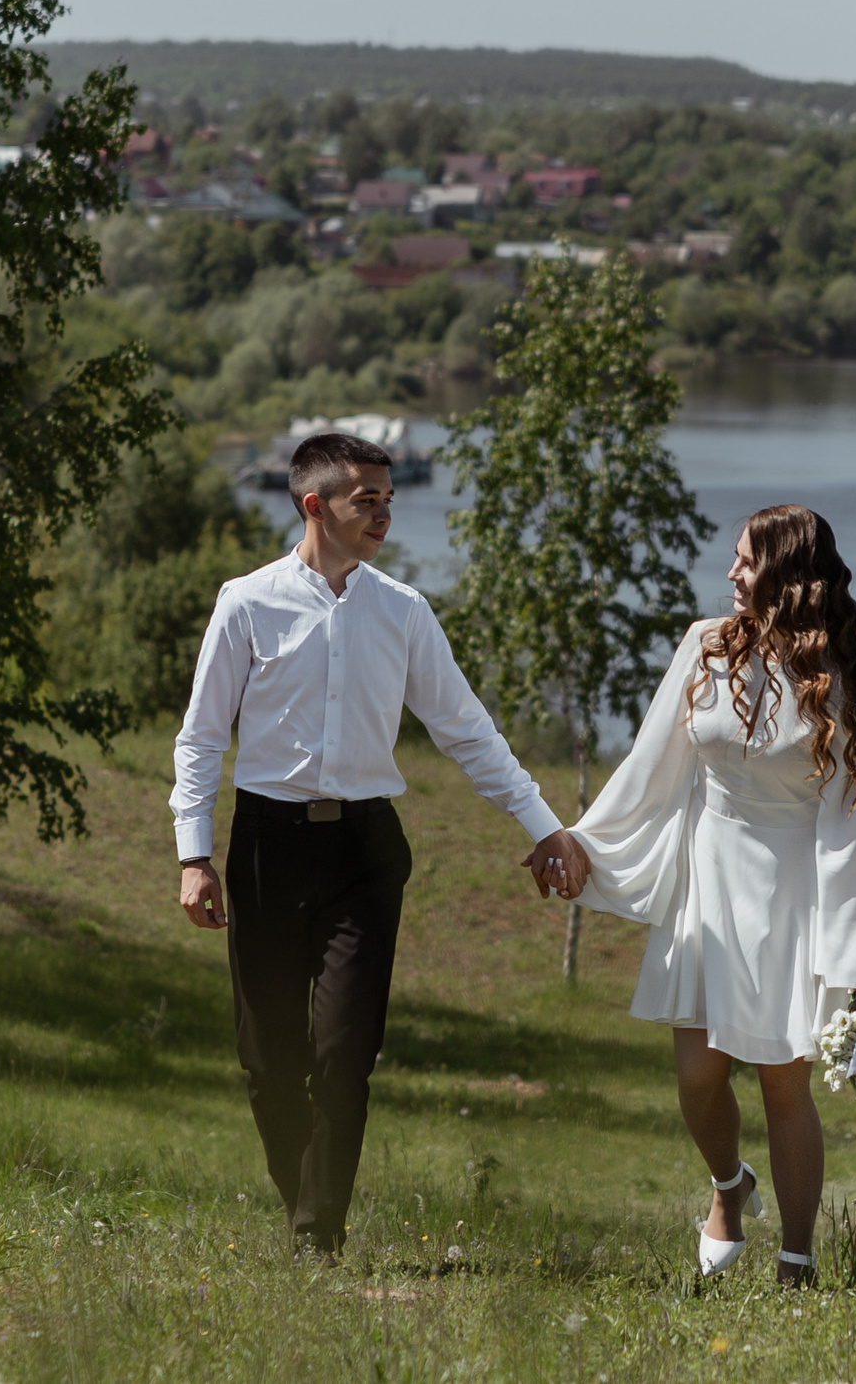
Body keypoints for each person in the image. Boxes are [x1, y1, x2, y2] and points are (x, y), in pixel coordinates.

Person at [172, 430, 591, 1255]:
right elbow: (199, 739)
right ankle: (306, 1205)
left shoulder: (404, 611)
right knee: (267, 1059)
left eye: (390, 499)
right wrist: (194, 854)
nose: (385, 515)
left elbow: (466, 730)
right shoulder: (246, 602)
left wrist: (545, 826)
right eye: (368, 499)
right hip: (264, 849)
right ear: (314, 504)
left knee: (343, 1055)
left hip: (365, 855)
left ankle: (316, 1235)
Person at [562, 503, 856, 1286]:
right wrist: (582, 840)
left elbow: (851, 833)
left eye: (746, 561)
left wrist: (853, 968)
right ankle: (729, 1186)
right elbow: (653, 764)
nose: (731, 574)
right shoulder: (703, 647)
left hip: (792, 897)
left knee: (785, 1082)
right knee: (696, 1078)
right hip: (706, 885)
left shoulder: (839, 681)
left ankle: (797, 1260)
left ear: (786, 573)